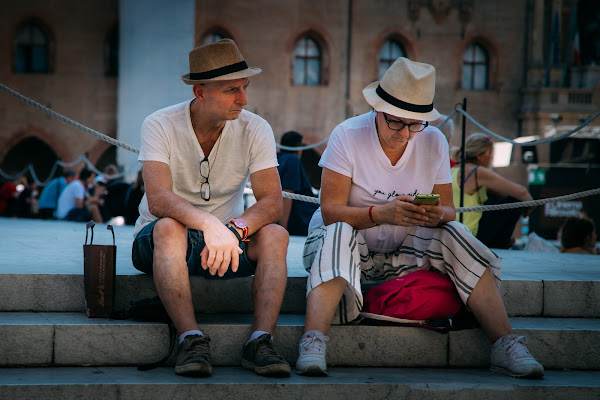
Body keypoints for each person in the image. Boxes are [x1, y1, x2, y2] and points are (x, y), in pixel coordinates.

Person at [295, 57, 544, 379]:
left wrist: (432, 213)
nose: (404, 133)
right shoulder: (348, 134)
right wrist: (379, 213)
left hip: (406, 249)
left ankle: (505, 342)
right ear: (377, 110)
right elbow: (330, 212)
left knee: (454, 231)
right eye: (395, 122)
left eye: (415, 123)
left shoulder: (433, 139)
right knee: (340, 228)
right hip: (347, 248)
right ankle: (313, 338)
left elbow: (450, 211)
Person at [131, 39, 290, 378]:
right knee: (169, 227)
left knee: (276, 235)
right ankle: (190, 339)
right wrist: (208, 224)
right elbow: (158, 199)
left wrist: (236, 229)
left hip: (228, 242)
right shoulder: (159, 124)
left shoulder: (255, 127)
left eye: (245, 87)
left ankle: (260, 341)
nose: (244, 100)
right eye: (232, 90)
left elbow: (272, 202)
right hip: (162, 239)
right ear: (200, 93)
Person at [450, 133, 535, 249]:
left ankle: (507, 239)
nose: (491, 158)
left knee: (494, 198)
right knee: (514, 200)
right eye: (490, 154)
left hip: (454, 230)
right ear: (480, 156)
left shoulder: (454, 169)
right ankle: (502, 244)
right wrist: (529, 207)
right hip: (469, 234)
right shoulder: (476, 172)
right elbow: (521, 192)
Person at [276, 131, 319, 236]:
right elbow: (288, 194)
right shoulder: (292, 160)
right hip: (301, 220)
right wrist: (282, 228)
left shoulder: (276, 158)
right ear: (299, 148)